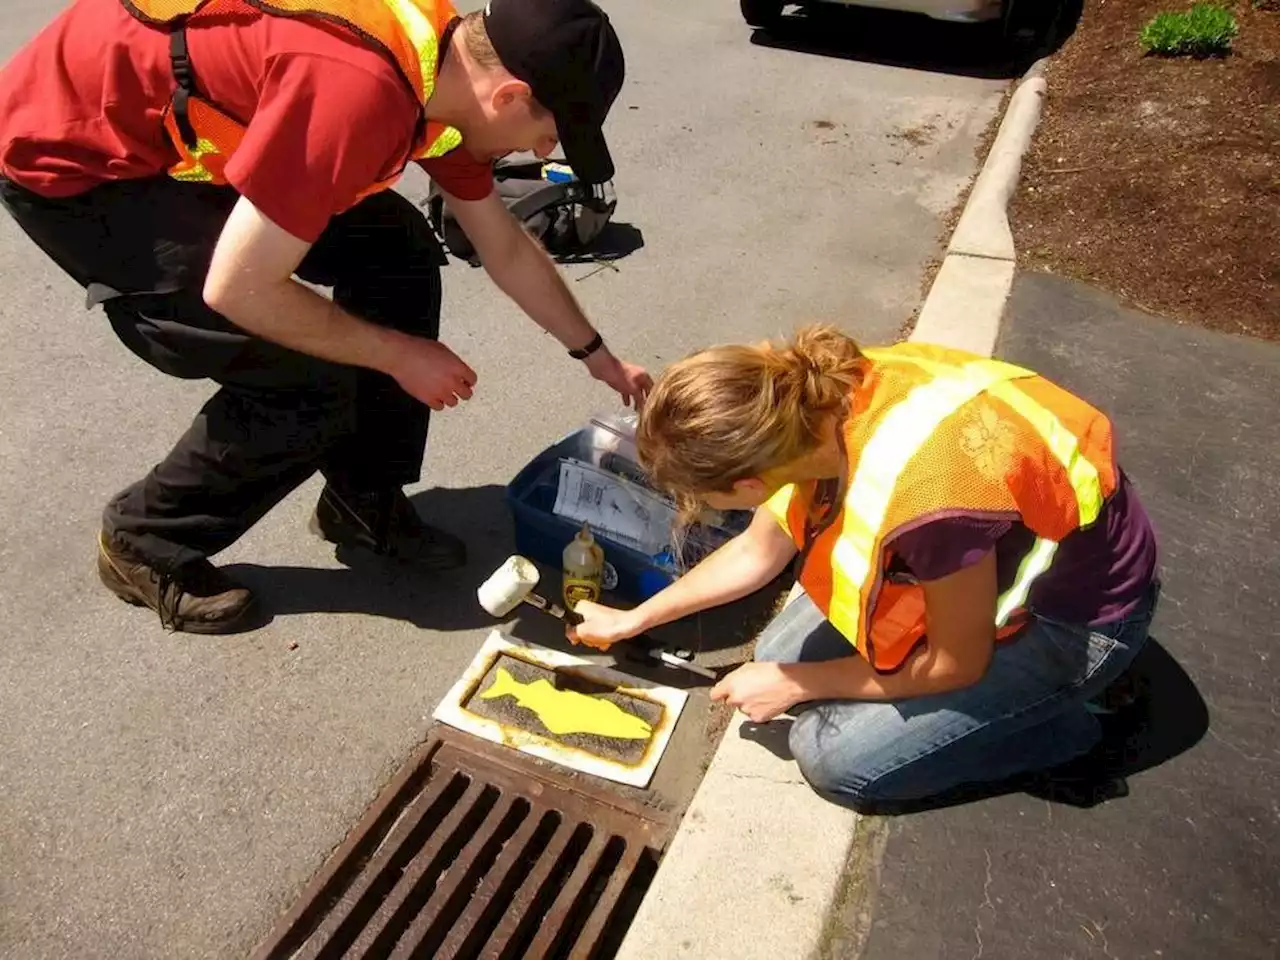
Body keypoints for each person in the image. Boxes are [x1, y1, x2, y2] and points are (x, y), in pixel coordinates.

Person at [0, 0, 652, 634]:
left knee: (394, 249)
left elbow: (504, 244)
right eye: (549, 134)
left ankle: (360, 499)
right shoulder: (357, 93)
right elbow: (240, 288)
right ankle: (144, 539)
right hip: (80, 162)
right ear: (508, 96)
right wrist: (396, 354)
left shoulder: (443, 71)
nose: (542, 148)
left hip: (194, 121)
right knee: (305, 374)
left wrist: (596, 353)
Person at [569, 325, 1160, 811]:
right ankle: (1012, 703)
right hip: (989, 562)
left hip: (1078, 621)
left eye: (708, 499)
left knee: (834, 761)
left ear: (749, 482)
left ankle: (1065, 725)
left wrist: (797, 685)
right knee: (779, 647)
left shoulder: (931, 501)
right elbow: (758, 550)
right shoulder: (810, 403)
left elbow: (956, 664)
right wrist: (632, 620)